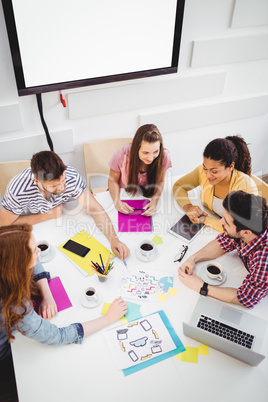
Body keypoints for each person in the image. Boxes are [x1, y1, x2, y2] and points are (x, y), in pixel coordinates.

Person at [0, 224, 127, 360]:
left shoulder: (5, 263)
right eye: (33, 251)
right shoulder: (17, 306)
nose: (39, 252)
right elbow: (57, 336)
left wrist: (47, 295)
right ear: (16, 264)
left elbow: (33, 263)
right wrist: (109, 317)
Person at [0, 151, 129, 260]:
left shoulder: (71, 176)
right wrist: (46, 216)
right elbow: (4, 224)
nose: (62, 187)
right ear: (37, 181)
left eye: (63, 180)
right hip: (32, 229)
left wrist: (114, 239)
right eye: (55, 186)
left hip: (60, 227)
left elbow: (94, 208)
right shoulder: (18, 189)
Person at [178, 191, 268, 309]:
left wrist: (201, 286)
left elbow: (246, 298)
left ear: (246, 233)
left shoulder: (264, 260)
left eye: (226, 222)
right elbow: (224, 242)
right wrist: (193, 259)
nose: (221, 222)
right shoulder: (249, 229)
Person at [172, 135, 258, 232]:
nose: (208, 175)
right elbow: (178, 186)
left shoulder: (246, 186)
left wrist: (207, 220)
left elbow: (240, 230)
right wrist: (188, 207)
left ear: (230, 167)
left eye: (214, 172)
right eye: (205, 168)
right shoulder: (202, 171)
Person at [108, 124, 172, 216]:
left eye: (155, 151)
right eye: (145, 152)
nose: (150, 158)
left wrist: (154, 202)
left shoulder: (164, 156)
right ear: (136, 148)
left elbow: (161, 181)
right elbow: (112, 180)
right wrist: (117, 202)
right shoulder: (121, 155)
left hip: (147, 195)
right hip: (123, 193)